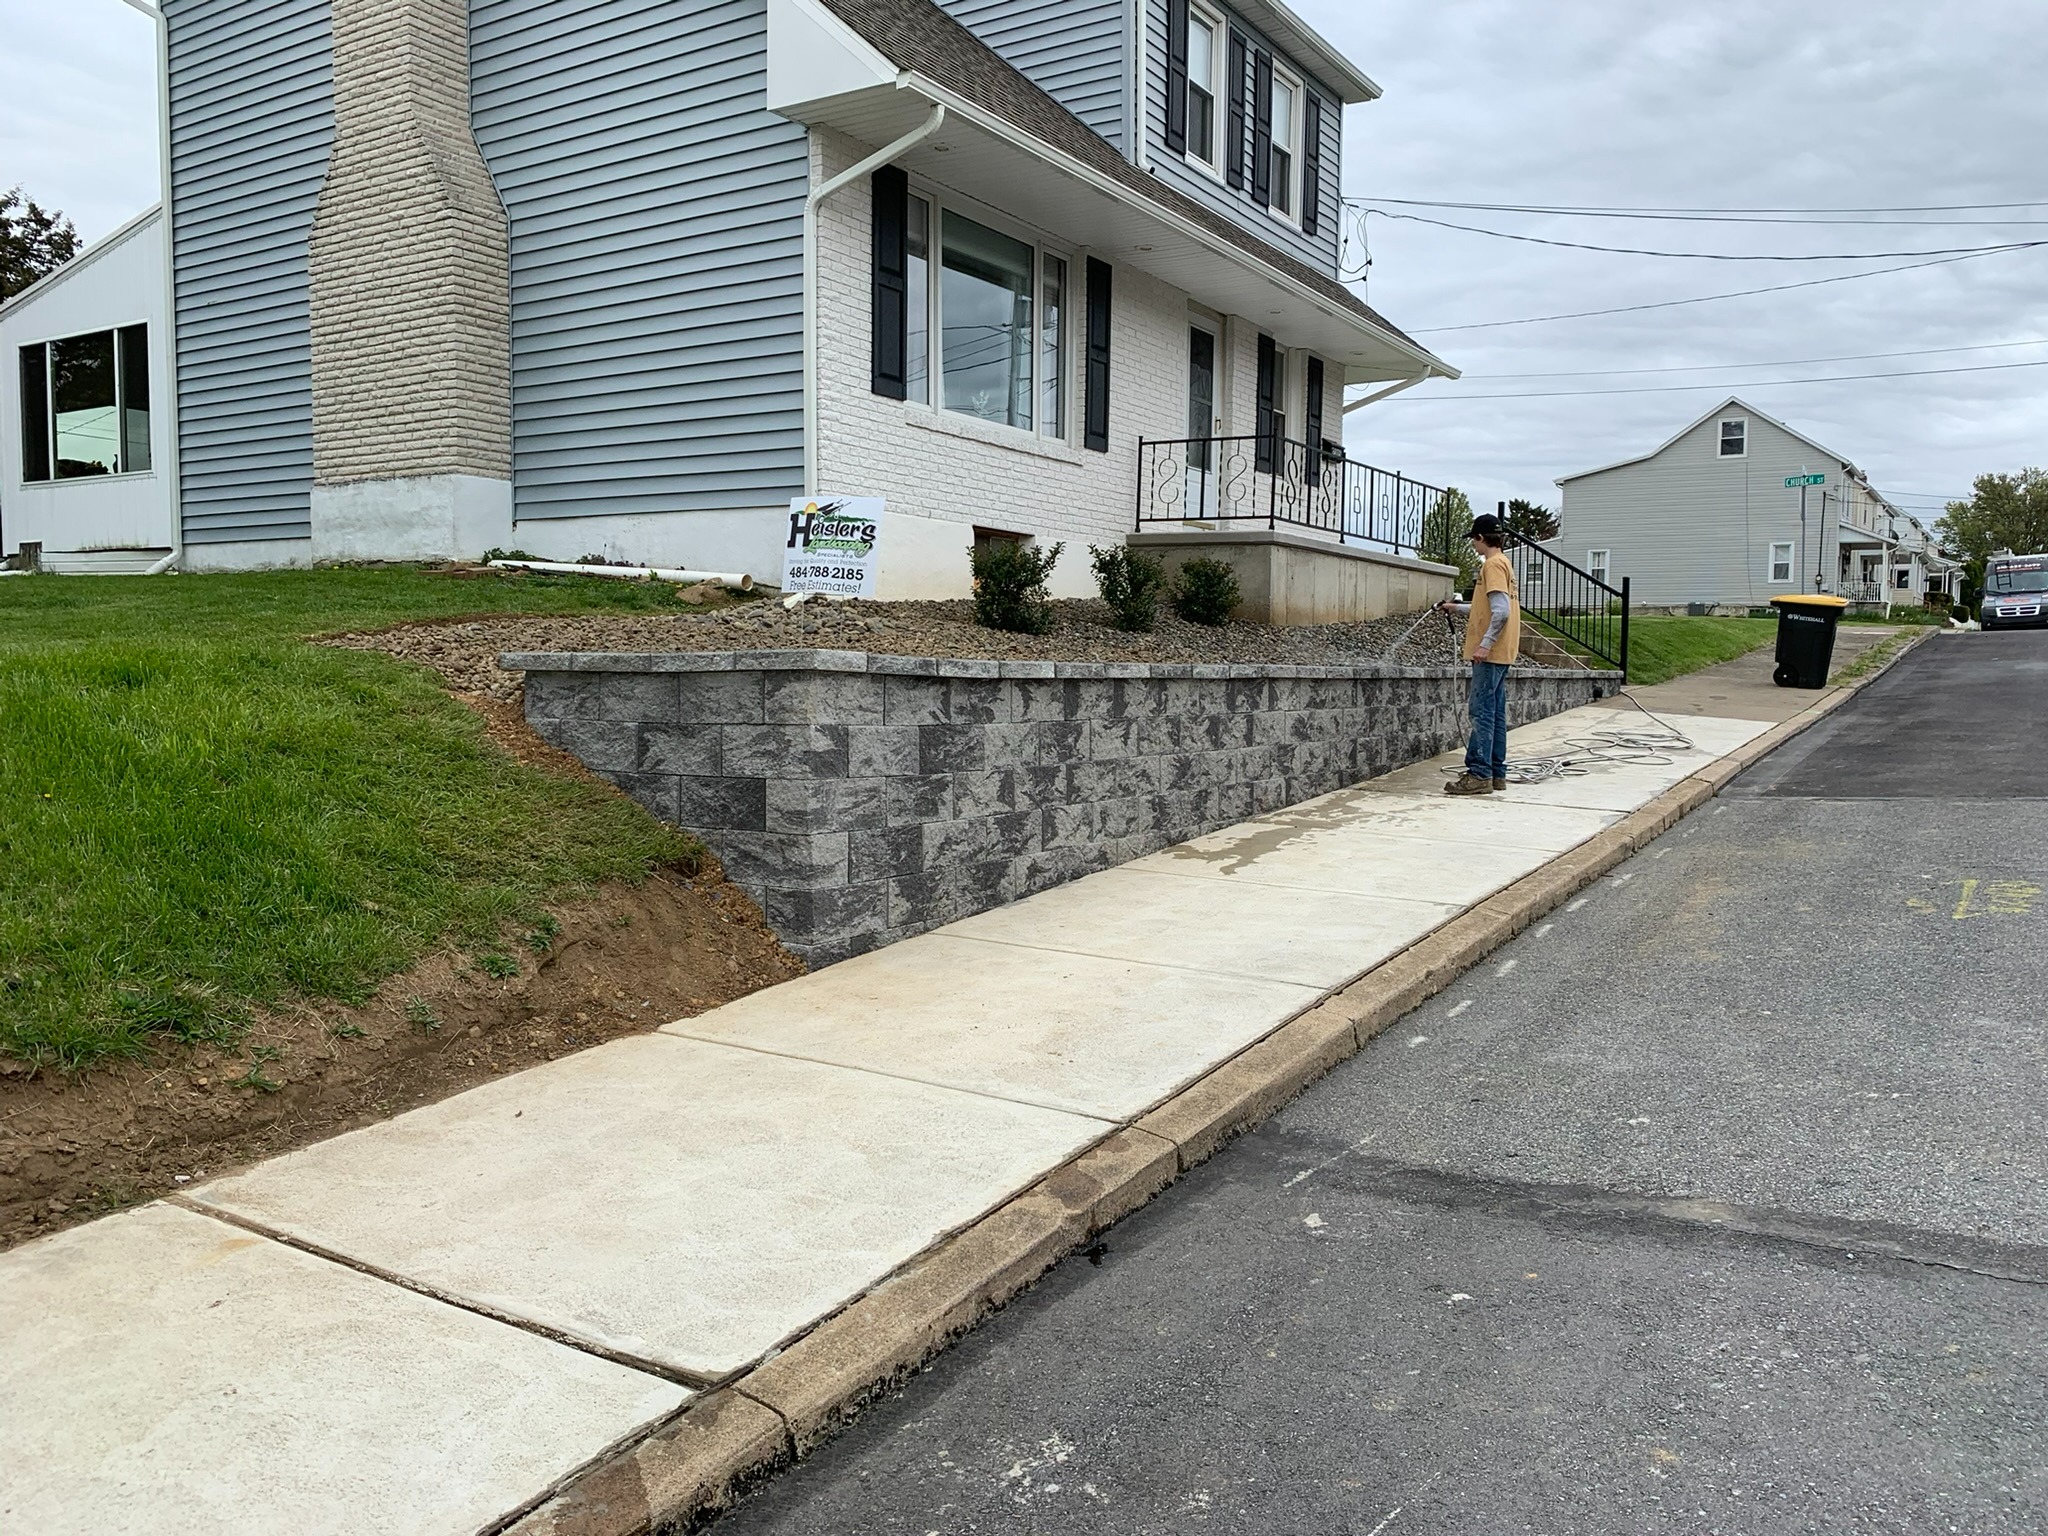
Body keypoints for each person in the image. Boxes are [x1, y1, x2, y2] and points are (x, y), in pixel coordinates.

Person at [1438, 514, 1521, 795]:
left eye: (1473, 540)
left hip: (1490, 653)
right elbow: (1488, 606)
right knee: (1495, 712)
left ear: (1481, 538)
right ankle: (1496, 773)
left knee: (1481, 711)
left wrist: (1484, 644)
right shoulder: (1505, 563)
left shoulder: (1492, 565)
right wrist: (1455, 608)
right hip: (1503, 651)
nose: (1473, 545)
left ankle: (1479, 774)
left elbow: (1501, 612)